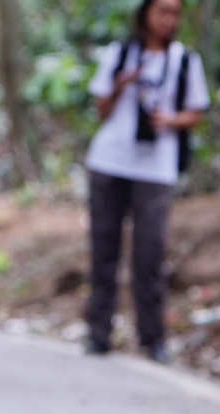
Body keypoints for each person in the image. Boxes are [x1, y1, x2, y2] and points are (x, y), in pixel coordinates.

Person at [84, 0, 210, 362]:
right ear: (145, 13)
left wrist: (169, 120)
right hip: (109, 160)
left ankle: (152, 339)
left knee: (150, 253)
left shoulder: (185, 61)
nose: (169, 19)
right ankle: (98, 333)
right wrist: (120, 84)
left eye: (175, 13)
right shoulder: (120, 53)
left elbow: (197, 113)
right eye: (162, 11)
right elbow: (100, 108)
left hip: (155, 169)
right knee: (104, 247)